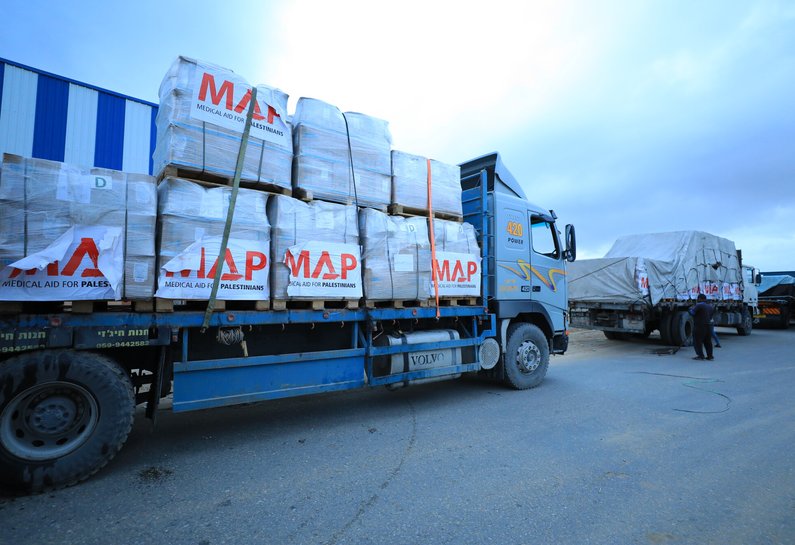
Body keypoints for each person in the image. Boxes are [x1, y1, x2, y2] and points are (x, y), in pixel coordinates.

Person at [689, 293, 715, 360]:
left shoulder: (699, 305)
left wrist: (690, 309)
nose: (697, 300)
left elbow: (692, 313)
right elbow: (710, 317)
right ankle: (710, 356)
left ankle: (700, 355)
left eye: (698, 298)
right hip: (708, 326)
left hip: (699, 326)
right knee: (708, 342)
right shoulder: (710, 307)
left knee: (697, 341)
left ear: (700, 299)